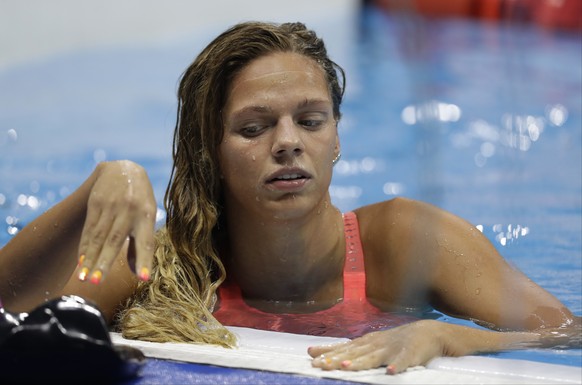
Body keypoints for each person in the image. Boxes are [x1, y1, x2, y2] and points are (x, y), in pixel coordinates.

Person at [0, 21, 579, 375]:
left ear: (337, 139)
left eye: (310, 120)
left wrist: (450, 336)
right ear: (211, 152)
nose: (287, 144)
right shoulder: (169, 270)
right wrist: (99, 187)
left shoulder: (406, 240)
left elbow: (568, 333)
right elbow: (12, 319)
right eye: (253, 128)